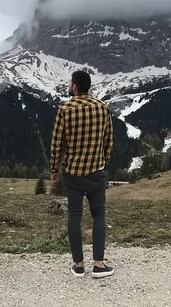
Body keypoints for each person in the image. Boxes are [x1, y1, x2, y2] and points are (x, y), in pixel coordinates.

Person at [50, 70, 115, 278]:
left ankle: (78, 264)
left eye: (71, 83)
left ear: (75, 86)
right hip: (96, 172)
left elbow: (56, 143)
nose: (69, 85)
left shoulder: (64, 110)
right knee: (99, 215)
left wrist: (54, 169)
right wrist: (102, 162)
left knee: (74, 216)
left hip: (73, 173)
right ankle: (98, 263)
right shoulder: (102, 108)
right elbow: (109, 141)